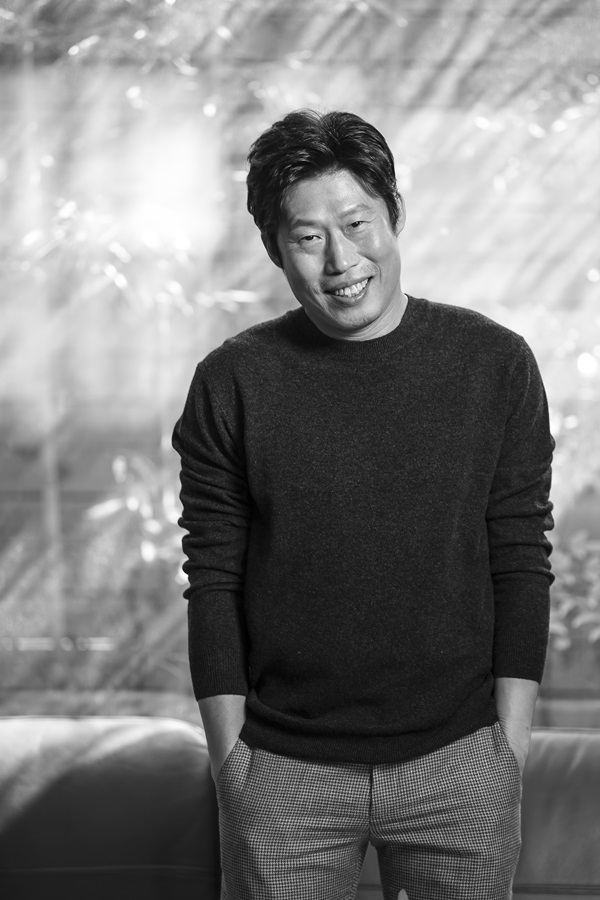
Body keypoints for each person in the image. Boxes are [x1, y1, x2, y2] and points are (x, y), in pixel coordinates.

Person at [172, 109, 555, 900]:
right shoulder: (232, 382)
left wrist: (507, 750)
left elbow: (521, 555)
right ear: (275, 249)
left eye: (357, 224)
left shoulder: (495, 364)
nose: (341, 260)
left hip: (461, 760)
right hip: (282, 770)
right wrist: (233, 763)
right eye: (309, 237)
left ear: (394, 214)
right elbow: (212, 576)